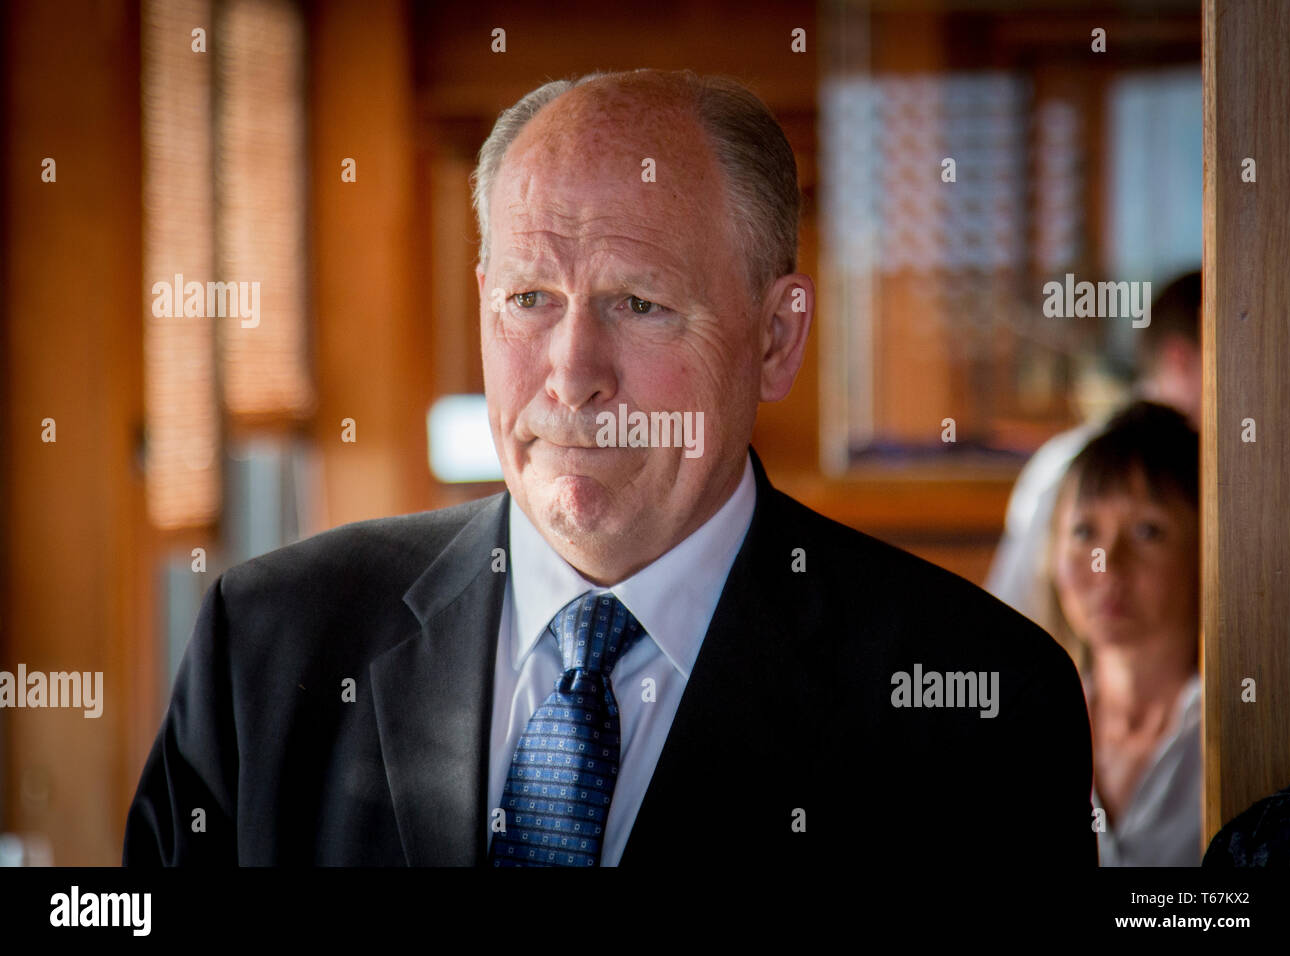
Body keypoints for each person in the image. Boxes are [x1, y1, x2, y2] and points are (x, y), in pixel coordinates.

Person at [123, 68, 1096, 867]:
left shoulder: (980, 704)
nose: (571, 372)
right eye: (530, 296)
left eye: (638, 302)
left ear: (776, 336)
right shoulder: (267, 644)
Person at [985, 270, 1201, 627]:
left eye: (1148, 532)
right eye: (1085, 532)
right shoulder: (1071, 464)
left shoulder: (1226, 464)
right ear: (1179, 358)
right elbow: (1010, 616)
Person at [1046, 401, 1201, 865]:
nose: (1106, 562)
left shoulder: (1243, 732)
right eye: (1083, 531)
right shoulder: (1030, 722)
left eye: (1147, 531)